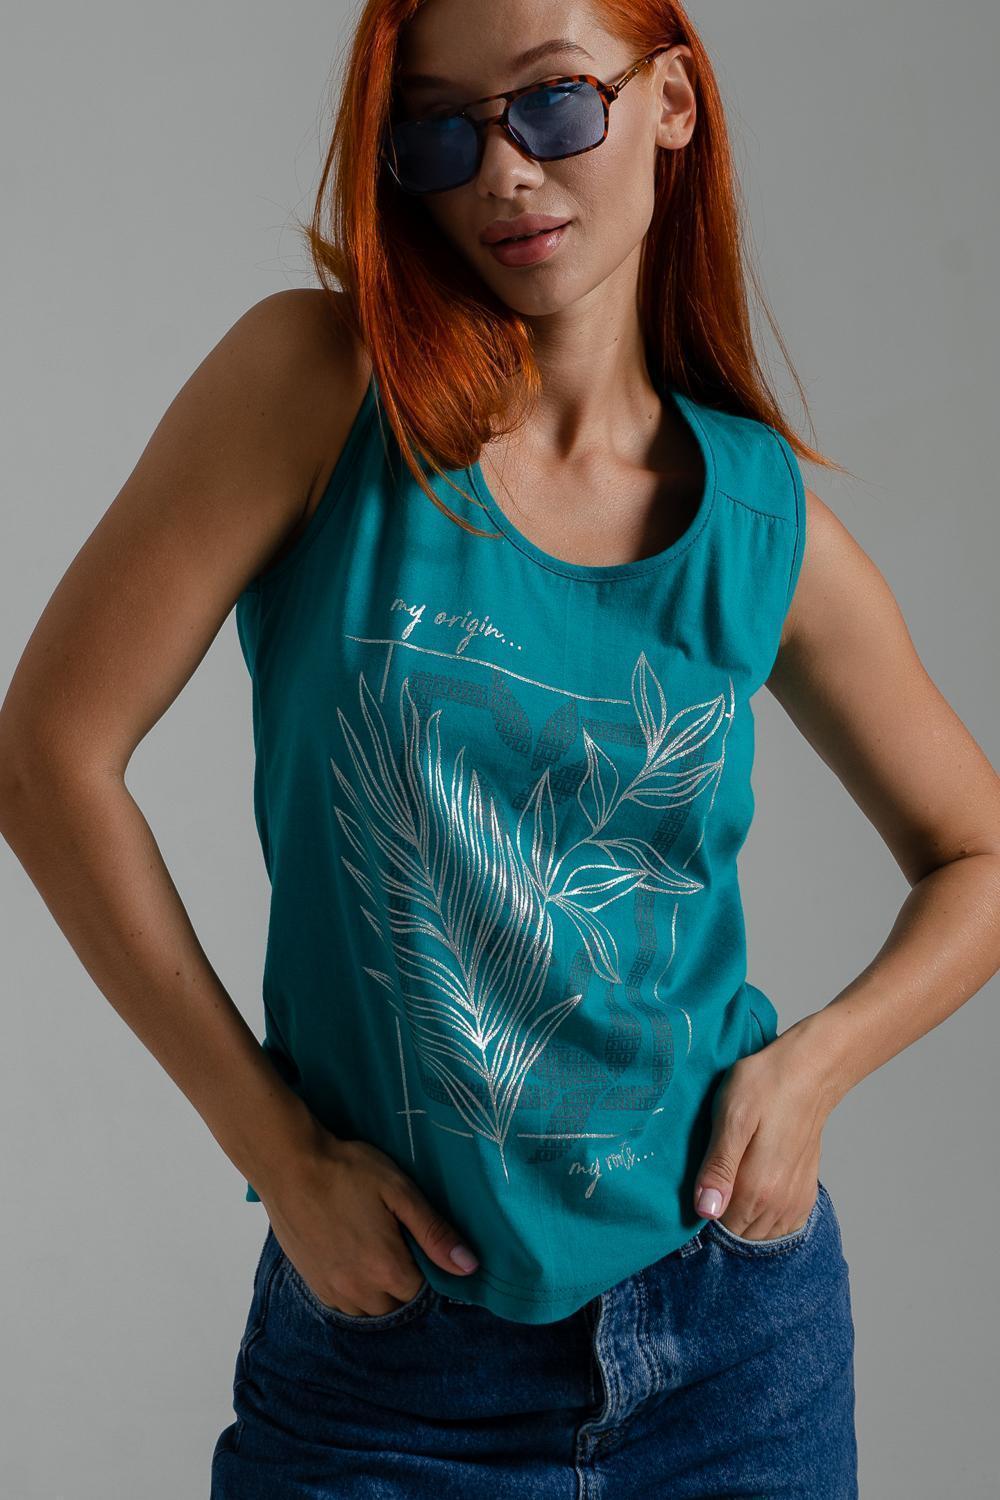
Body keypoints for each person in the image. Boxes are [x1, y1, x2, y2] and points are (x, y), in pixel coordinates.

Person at [2, 2, 999, 1496]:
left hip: (734, 1354)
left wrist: (812, 1071)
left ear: (672, 103)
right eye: (438, 130)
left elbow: (976, 852)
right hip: (389, 1368)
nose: (504, 173)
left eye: (553, 106)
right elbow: (47, 756)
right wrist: (275, 1150)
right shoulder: (320, 388)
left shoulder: (754, 519)